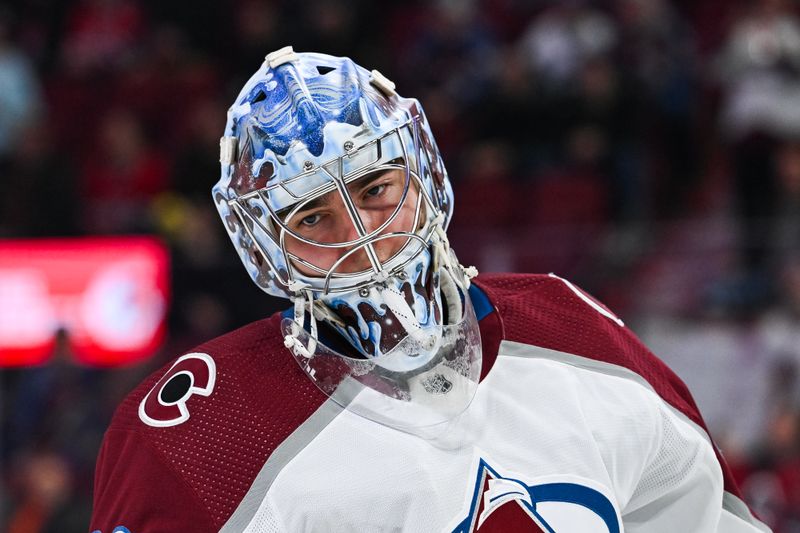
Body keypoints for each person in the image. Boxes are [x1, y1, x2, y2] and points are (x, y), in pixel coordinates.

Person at [89, 47, 769, 532]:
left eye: (376, 190)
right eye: (314, 215)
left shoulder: (569, 329)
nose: (360, 234)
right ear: (263, 244)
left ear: (423, 173)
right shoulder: (201, 437)